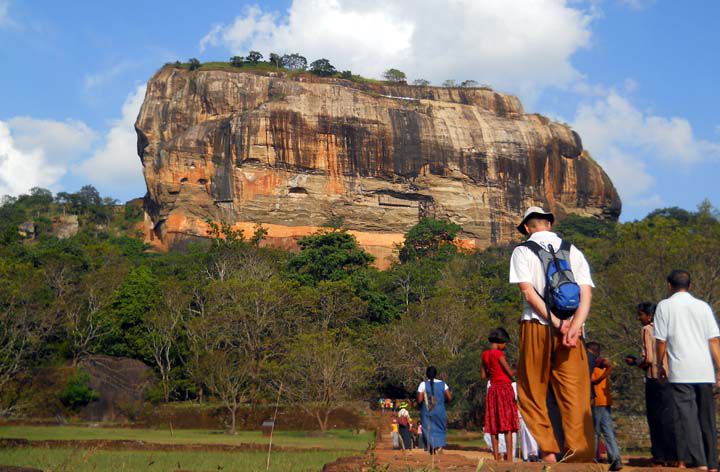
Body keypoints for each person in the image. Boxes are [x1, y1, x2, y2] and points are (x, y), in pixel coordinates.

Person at [509, 206, 595, 463]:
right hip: (572, 331)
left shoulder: (522, 250)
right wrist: (573, 325)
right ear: (549, 223)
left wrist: (556, 323)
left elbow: (528, 292)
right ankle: (579, 455)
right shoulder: (573, 249)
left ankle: (548, 452)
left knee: (532, 390)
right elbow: (586, 294)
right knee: (575, 393)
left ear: (527, 227)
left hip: (537, 325)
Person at [655, 270, 720, 470]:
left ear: (669, 285)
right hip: (704, 370)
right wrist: (719, 368)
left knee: (688, 417)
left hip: (681, 370)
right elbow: (713, 340)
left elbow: (661, 341)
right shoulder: (703, 306)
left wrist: (660, 365)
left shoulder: (664, 307)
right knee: (707, 418)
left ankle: (699, 461)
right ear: (690, 286)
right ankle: (712, 463)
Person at [625, 301, 676, 466]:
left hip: (654, 377)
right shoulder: (670, 327)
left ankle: (659, 455)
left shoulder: (647, 330)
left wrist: (636, 362)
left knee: (655, 417)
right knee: (669, 417)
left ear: (649, 315)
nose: (639, 318)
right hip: (671, 377)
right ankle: (673, 455)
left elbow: (649, 358)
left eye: (641, 314)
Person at [482, 327, 520, 462]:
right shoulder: (499, 354)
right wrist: (517, 370)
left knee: (494, 423)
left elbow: (483, 375)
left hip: (493, 390)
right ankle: (509, 457)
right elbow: (510, 373)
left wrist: (492, 371)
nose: (505, 346)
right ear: (500, 341)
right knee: (507, 424)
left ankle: (496, 456)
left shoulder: (485, 355)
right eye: (505, 344)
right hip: (504, 389)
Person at [586, 342, 623, 471]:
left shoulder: (594, 366)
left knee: (595, 432)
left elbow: (593, 379)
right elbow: (609, 366)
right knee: (607, 431)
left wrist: (597, 380)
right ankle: (615, 458)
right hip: (604, 401)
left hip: (597, 401)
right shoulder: (601, 365)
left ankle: (594, 457)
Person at [417, 366, 452, 453]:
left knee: (427, 429)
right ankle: (439, 446)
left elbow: (419, 400)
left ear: (427, 374)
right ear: (436, 374)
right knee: (440, 428)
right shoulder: (443, 384)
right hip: (440, 410)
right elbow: (449, 397)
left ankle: (432, 447)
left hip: (427, 411)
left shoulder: (423, 384)